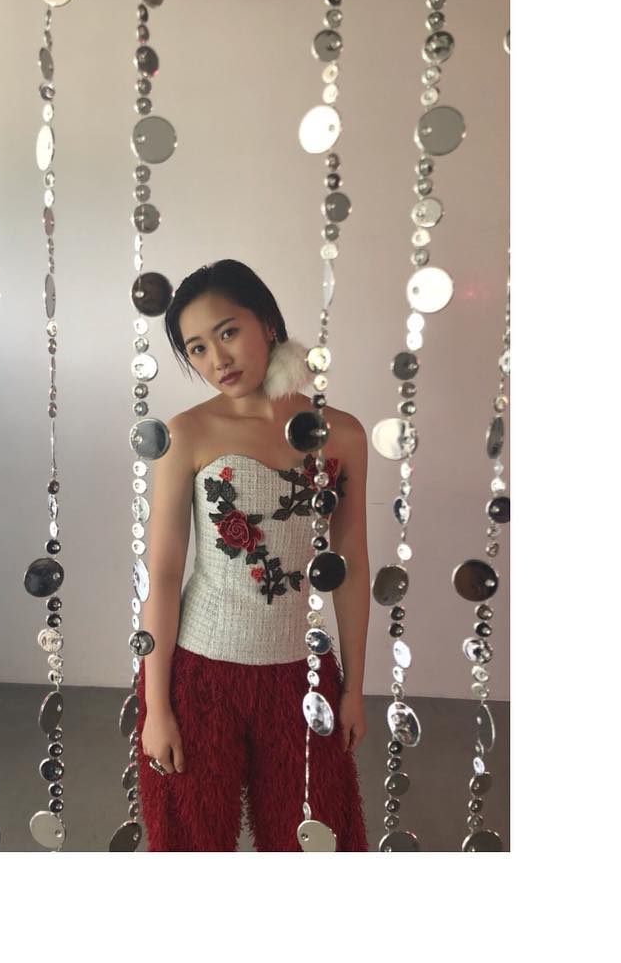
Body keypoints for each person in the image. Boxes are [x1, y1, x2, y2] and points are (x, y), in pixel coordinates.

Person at [136, 258, 371, 851]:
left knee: (311, 839)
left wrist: (354, 689)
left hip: (302, 673)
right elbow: (163, 575)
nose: (218, 359)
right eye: (197, 348)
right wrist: (157, 707)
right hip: (200, 674)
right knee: (194, 843)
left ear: (267, 323)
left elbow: (351, 565)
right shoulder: (186, 433)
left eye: (228, 332)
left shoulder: (340, 433)